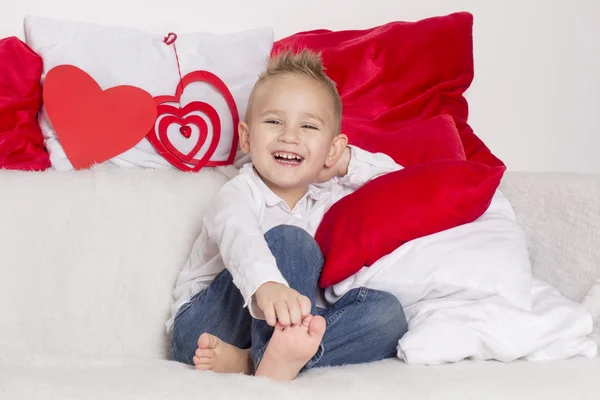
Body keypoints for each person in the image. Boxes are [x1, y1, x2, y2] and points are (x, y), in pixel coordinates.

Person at [167, 49, 408, 381]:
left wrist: (341, 163)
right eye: (274, 121)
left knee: (388, 315)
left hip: (282, 330)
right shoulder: (239, 193)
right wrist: (266, 285)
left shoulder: (329, 194)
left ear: (333, 147)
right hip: (207, 331)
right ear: (247, 137)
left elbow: (401, 185)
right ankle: (271, 357)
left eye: (308, 126)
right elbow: (240, 237)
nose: (290, 136)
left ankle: (255, 362)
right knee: (292, 241)